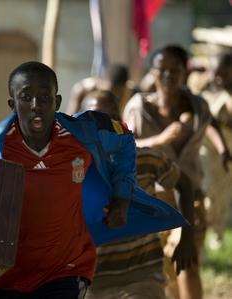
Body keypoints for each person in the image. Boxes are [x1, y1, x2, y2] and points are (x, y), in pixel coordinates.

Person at [0, 61, 185, 299]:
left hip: (66, 271)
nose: (36, 105)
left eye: (44, 97)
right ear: (12, 104)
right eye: (25, 97)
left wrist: (121, 195)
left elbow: (125, 140)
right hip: (3, 275)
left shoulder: (84, 135)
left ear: (57, 100)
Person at [123, 45, 230, 299]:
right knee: (159, 274)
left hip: (190, 202)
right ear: (153, 72)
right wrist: (160, 140)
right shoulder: (138, 108)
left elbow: (211, 121)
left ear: (186, 73)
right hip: (151, 203)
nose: (169, 76)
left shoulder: (197, 107)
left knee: (188, 265)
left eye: (176, 70)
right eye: (162, 70)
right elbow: (123, 146)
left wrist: (222, 147)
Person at [80, 90, 197, 299]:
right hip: (93, 281)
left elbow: (185, 184)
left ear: (121, 123)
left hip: (142, 277)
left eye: (110, 119)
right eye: (93, 121)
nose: (103, 129)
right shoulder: (74, 170)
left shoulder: (144, 159)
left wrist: (188, 236)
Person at [200, 52, 232, 249]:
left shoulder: (228, 96)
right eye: (215, 72)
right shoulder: (202, 89)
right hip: (204, 152)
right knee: (206, 194)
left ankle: (216, 237)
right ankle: (207, 237)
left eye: (224, 73)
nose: (219, 78)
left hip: (225, 154)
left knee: (220, 197)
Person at [66, 64, 134, 115]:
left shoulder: (126, 91)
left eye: (116, 92)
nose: (111, 95)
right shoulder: (83, 89)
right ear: (104, 81)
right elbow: (70, 118)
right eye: (110, 90)